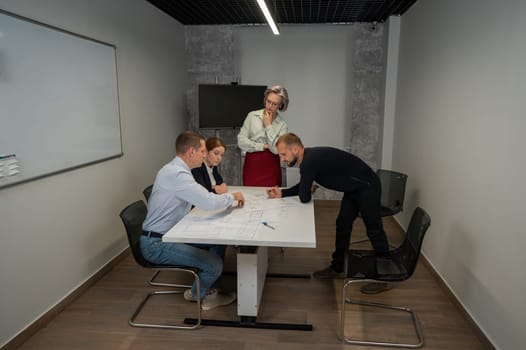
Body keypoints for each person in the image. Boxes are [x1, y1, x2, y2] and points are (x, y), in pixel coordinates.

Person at [267, 133, 402, 279]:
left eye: (283, 154)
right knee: (343, 224)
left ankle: (387, 274)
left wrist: (306, 190)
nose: (282, 159)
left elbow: (304, 196)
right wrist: (283, 193)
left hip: (367, 187)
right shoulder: (309, 157)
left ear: (294, 149)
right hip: (354, 189)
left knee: (374, 229)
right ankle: (337, 267)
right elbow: (304, 186)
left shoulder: (308, 161)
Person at [141, 131, 245, 311]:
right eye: (203, 151)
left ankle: (209, 290)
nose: (204, 156)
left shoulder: (176, 170)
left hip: (171, 233)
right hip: (157, 243)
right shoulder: (178, 175)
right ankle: (198, 295)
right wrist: (233, 196)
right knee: (214, 264)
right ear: (191, 152)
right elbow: (209, 201)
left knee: (217, 243)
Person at [237, 85, 289, 187]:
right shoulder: (252, 116)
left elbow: (276, 150)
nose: (270, 106)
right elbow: (241, 141)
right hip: (252, 165)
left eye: (274, 104)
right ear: (265, 99)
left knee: (272, 199)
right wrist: (263, 146)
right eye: (268, 101)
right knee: (251, 197)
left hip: (272, 166)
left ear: (281, 105)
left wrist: (268, 125)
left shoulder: (283, 125)